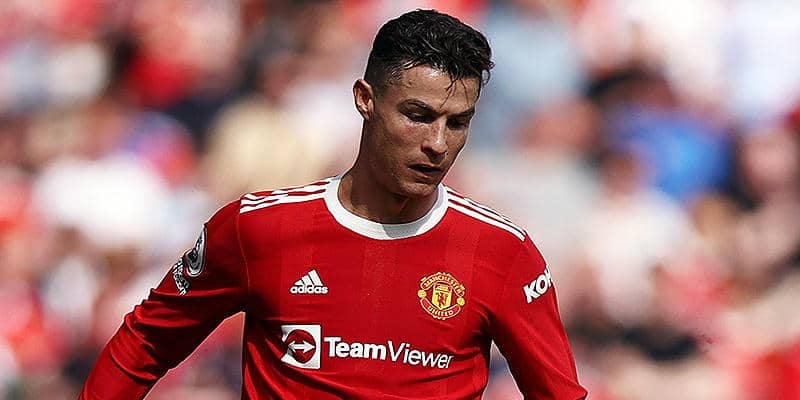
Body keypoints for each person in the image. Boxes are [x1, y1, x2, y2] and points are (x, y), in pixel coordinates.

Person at [79, 9, 588, 400]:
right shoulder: (259, 228)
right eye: (417, 115)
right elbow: (145, 343)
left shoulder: (502, 252)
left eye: (457, 123)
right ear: (365, 99)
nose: (438, 143)